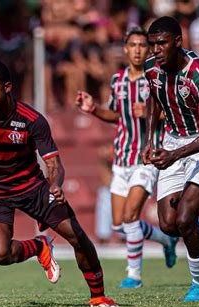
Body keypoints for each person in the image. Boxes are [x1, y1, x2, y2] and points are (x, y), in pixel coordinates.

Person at [0, 60, 117, 307]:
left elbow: (54, 164)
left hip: (32, 188)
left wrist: (55, 185)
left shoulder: (31, 119)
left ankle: (98, 296)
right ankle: (39, 246)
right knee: (0, 255)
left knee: (77, 237)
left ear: (7, 87)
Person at [76, 26, 178, 289]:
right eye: (133, 45)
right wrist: (93, 109)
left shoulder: (156, 78)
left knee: (132, 216)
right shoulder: (117, 80)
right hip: (121, 157)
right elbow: (115, 114)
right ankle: (165, 240)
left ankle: (134, 274)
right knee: (120, 225)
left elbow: (175, 113)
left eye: (142, 46)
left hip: (147, 156)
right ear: (125, 49)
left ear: (149, 49)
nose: (137, 50)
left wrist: (150, 114)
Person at [141, 16, 199, 302]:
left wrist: (175, 155)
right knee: (169, 224)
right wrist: (150, 140)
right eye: (153, 44)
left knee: (185, 218)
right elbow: (154, 99)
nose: (156, 49)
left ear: (178, 42)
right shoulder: (152, 68)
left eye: (162, 43)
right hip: (172, 141)